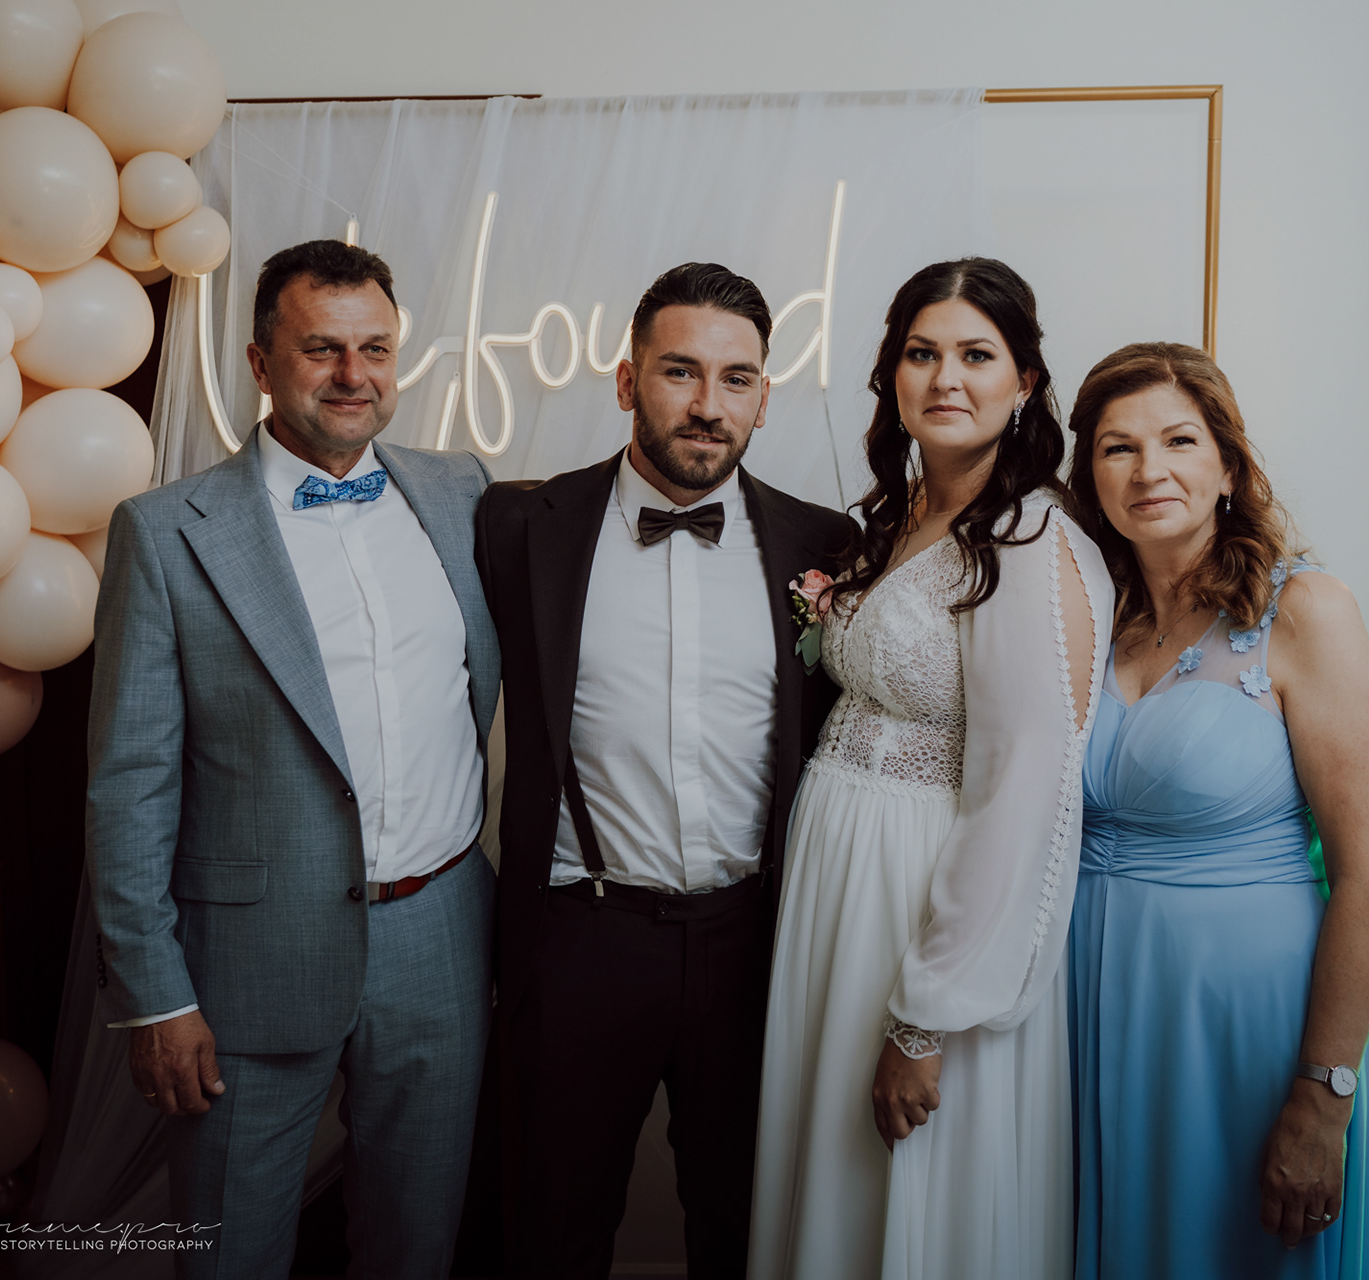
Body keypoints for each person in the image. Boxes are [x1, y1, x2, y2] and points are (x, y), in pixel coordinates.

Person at [88, 240, 499, 1279]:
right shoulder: (166, 532)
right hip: (245, 961)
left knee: (418, 1244)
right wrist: (157, 996)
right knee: (230, 1250)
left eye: (376, 348)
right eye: (322, 349)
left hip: (442, 935)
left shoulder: (461, 491)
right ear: (260, 363)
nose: (354, 375)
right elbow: (129, 785)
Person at [475, 262, 854, 1280]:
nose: (707, 404)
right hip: (580, 934)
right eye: (680, 371)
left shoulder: (826, 544)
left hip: (756, 940)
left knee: (748, 1230)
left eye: (737, 378)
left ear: (765, 396)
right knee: (553, 1230)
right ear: (626, 379)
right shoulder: (519, 526)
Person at [747, 257, 1113, 1279]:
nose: (946, 377)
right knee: (827, 1164)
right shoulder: (895, 515)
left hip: (925, 901)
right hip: (839, 884)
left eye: (976, 355)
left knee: (903, 1187)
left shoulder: (1031, 539)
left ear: (1025, 381)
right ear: (893, 375)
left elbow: (1024, 793)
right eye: (921, 353)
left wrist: (926, 1015)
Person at [1062, 341, 1369, 1278]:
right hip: (1086, 1003)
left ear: (1229, 467)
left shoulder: (1307, 611)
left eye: (1179, 440)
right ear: (1091, 476)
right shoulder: (1089, 613)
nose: (1149, 470)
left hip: (1242, 1018)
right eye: (1118, 447)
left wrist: (1323, 1095)